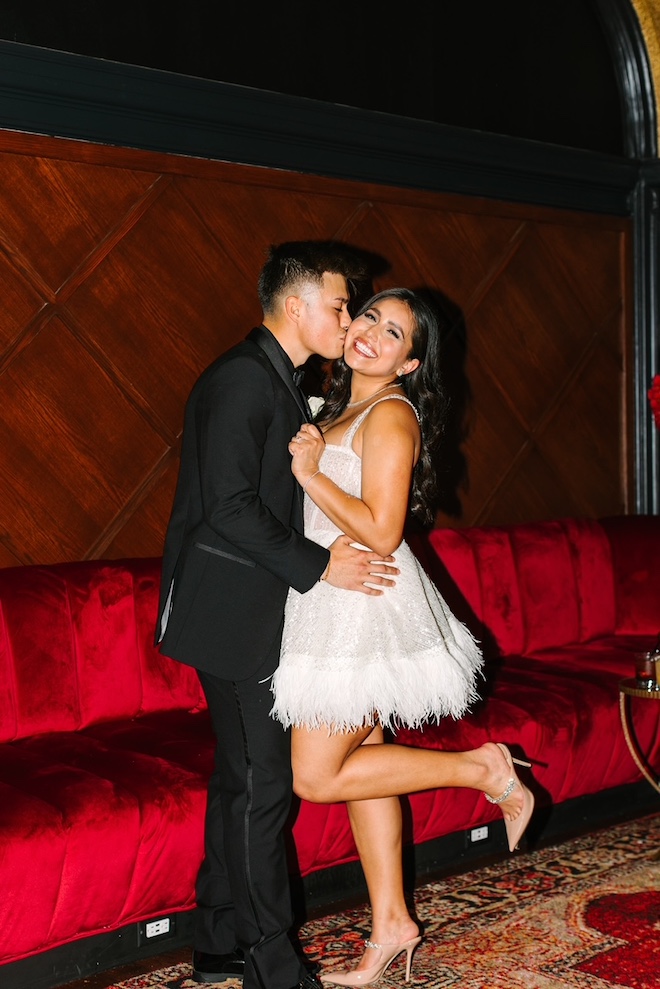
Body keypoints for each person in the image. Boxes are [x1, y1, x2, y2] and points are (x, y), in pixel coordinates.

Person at [270, 287, 535, 987]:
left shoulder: (389, 414)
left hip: (362, 607)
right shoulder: (336, 408)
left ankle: (484, 769)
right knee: (366, 760)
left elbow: (384, 530)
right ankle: (392, 923)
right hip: (331, 597)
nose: (371, 333)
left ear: (409, 362)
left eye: (393, 333)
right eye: (369, 317)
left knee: (314, 775)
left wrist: (308, 474)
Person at [156, 242, 400, 989]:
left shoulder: (275, 377)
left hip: (248, 610)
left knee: (243, 783)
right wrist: (322, 565)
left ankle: (220, 941)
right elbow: (229, 507)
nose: (348, 320)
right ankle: (274, 969)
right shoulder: (242, 378)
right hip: (232, 615)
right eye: (339, 305)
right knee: (262, 791)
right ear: (296, 306)